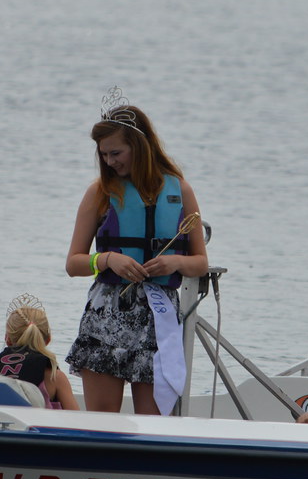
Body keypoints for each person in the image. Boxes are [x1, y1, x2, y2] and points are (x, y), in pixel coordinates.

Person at [65, 86, 208, 415]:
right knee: (101, 425)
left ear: (139, 147)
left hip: (158, 320)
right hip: (106, 317)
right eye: (103, 154)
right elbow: (73, 263)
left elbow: (200, 262)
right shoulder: (99, 192)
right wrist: (107, 259)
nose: (109, 161)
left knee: (154, 424)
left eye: (116, 153)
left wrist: (174, 261)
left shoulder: (180, 190)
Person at [0, 293, 80, 411]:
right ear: (48, 339)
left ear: (7, 339)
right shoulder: (54, 376)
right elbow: (76, 418)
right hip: (40, 427)